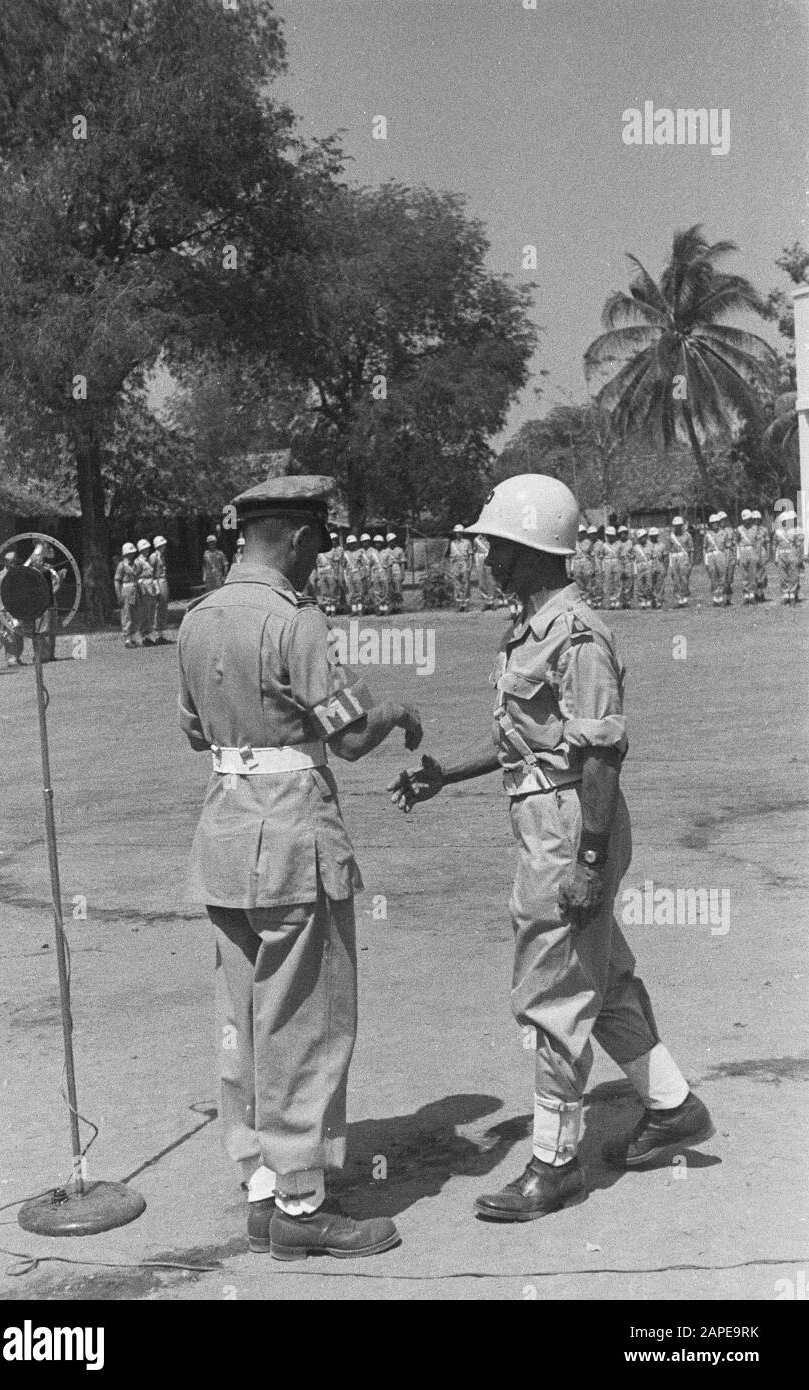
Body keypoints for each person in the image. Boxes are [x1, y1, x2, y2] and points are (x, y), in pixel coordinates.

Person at [388, 473, 714, 1222]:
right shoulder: (529, 628)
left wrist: (589, 863)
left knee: (553, 995)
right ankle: (672, 1106)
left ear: (535, 550)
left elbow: (600, 756)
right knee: (604, 981)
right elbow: (527, 743)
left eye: (499, 547)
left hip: (571, 826)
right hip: (549, 814)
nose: (487, 560)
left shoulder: (576, 635)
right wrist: (447, 773)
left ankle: (554, 1162)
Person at [177, 474, 423, 1260]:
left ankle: (260, 1188)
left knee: (245, 1017)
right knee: (307, 1021)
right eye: (317, 542)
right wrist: (394, 711)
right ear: (294, 537)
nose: (319, 559)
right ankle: (303, 1203)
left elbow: (193, 731)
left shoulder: (198, 618)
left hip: (223, 831)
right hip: (289, 835)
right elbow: (348, 736)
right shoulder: (297, 620)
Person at [24, 543, 61, 661]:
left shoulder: (48, 571)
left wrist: (54, 591)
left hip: (51, 603)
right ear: (33, 562)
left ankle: (50, 654)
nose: (41, 561)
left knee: (52, 629)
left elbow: (56, 583)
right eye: (39, 560)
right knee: (42, 630)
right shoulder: (31, 574)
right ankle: (41, 655)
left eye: (42, 559)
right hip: (40, 606)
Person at [0, 550, 25, 666]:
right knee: (10, 633)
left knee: (19, 632)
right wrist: (1, 610)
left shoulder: (19, 573)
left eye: (14, 562)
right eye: (11, 562)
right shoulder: (0, 576)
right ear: (6, 563)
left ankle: (18, 656)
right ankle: (11, 658)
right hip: (7, 608)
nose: (13, 564)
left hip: (18, 607)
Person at [773, 509, 804, 604]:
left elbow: (800, 546)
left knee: (793, 575)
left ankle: (793, 595)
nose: (791, 521)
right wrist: (775, 556)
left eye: (793, 519)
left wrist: (800, 558)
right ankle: (786, 595)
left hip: (793, 554)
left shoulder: (797, 531)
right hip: (782, 555)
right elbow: (775, 544)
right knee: (783, 575)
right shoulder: (778, 532)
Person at [114, 543, 139, 648]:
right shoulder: (122, 565)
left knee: (134, 614)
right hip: (126, 589)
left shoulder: (134, 564)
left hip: (134, 589)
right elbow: (116, 581)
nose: (132, 555)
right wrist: (119, 595)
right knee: (127, 614)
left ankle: (133, 637)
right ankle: (127, 638)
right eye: (129, 553)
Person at [133, 539, 157, 646]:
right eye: (144, 549)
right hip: (143, 588)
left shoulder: (147, 561)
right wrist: (139, 588)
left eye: (147, 548)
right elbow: (136, 576)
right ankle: (142, 636)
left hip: (150, 587)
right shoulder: (138, 561)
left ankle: (148, 636)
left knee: (150, 611)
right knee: (144, 612)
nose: (146, 550)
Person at [149, 536, 171, 643]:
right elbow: (151, 573)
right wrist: (154, 586)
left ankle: (160, 633)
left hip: (163, 580)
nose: (164, 547)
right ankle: (155, 634)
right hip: (157, 581)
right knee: (158, 607)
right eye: (162, 545)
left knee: (163, 607)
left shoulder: (162, 556)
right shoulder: (154, 556)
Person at [667, 517, 693, 607]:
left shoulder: (687, 535)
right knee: (676, 579)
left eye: (679, 526)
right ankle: (679, 601)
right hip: (674, 558)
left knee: (684, 579)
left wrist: (691, 563)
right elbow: (669, 550)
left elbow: (691, 550)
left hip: (684, 557)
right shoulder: (671, 536)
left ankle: (685, 600)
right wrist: (670, 565)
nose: (677, 527)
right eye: (675, 526)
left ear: (682, 526)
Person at [703, 514, 727, 606]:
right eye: (713, 523)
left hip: (720, 555)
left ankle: (720, 598)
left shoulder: (724, 533)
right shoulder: (707, 534)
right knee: (713, 577)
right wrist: (705, 561)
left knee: (722, 577)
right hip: (711, 556)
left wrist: (726, 559)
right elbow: (704, 548)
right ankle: (715, 599)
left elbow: (727, 547)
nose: (715, 524)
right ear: (710, 524)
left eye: (716, 522)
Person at [448, 524, 473, 611]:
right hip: (455, 564)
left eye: (459, 532)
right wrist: (451, 567)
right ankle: (459, 605)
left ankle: (466, 604)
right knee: (457, 585)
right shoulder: (452, 543)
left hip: (464, 563)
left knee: (465, 585)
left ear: (462, 533)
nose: (458, 534)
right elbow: (451, 556)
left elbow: (470, 555)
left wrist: (470, 566)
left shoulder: (467, 542)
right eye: (456, 533)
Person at [735, 510, 757, 605]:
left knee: (752, 573)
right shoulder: (739, 529)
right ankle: (745, 596)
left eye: (749, 519)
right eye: (745, 519)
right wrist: (738, 555)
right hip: (743, 551)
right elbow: (736, 542)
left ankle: (752, 595)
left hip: (752, 550)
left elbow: (758, 542)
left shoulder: (755, 528)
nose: (747, 521)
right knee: (744, 574)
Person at [342, 534, 365, 616]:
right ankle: (354, 610)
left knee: (359, 592)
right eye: (350, 544)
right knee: (351, 593)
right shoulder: (345, 553)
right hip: (349, 574)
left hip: (357, 573)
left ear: (355, 543)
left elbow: (363, 564)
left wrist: (363, 574)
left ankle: (360, 610)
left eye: (353, 543)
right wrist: (343, 577)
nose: (351, 545)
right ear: (347, 545)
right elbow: (343, 565)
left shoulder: (360, 552)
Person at [632, 528, 652, 608]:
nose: (642, 539)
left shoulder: (650, 545)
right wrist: (635, 571)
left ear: (646, 537)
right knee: (640, 585)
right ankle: (642, 600)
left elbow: (654, 557)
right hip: (639, 566)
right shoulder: (635, 548)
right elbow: (633, 560)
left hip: (648, 566)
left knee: (649, 584)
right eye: (640, 538)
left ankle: (649, 600)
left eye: (644, 537)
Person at [370, 533, 390, 615]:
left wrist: (389, 575)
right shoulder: (372, 553)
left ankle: (385, 609)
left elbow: (389, 565)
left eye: (379, 542)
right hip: (376, 572)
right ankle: (379, 609)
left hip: (384, 572)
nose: (378, 544)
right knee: (377, 591)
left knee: (385, 591)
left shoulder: (385, 552)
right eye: (376, 542)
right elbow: (370, 566)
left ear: (382, 543)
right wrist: (371, 577)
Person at [386, 532, 406, 613]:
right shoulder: (386, 551)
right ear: (388, 542)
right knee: (390, 589)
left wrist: (403, 574)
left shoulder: (400, 550)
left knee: (398, 589)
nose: (392, 542)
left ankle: (399, 607)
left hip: (397, 569)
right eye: (391, 541)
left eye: (393, 540)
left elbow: (403, 563)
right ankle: (392, 607)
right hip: (389, 570)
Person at [647, 527, 666, 609]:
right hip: (649, 566)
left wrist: (665, 568)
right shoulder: (646, 545)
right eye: (652, 536)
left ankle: (659, 601)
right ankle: (651, 601)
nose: (653, 537)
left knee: (660, 584)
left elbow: (665, 557)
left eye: (655, 535)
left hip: (659, 564)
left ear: (657, 535)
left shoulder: (662, 545)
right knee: (650, 584)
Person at [752, 510, 769, 602]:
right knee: (754, 575)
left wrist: (768, 554)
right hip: (753, 553)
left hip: (762, 553)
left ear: (760, 520)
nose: (756, 521)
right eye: (754, 519)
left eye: (757, 519)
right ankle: (755, 594)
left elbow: (768, 542)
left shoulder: (764, 530)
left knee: (762, 575)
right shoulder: (749, 530)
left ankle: (761, 594)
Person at [720, 512, 737, 605]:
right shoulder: (716, 532)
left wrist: (735, 556)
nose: (722, 522)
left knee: (730, 578)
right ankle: (721, 599)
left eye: (724, 519)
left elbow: (734, 544)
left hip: (729, 554)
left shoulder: (730, 530)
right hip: (721, 554)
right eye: (721, 520)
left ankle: (728, 599)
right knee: (722, 578)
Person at [616, 525, 634, 608]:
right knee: (620, 583)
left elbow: (633, 553)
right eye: (621, 533)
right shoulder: (617, 543)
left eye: (624, 533)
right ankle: (620, 601)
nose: (623, 535)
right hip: (620, 563)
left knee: (629, 582)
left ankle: (628, 601)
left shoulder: (630, 542)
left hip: (628, 563)